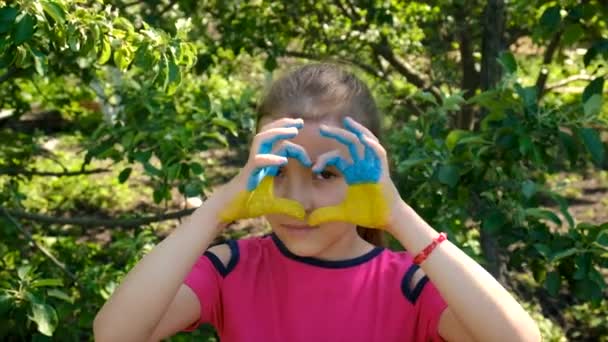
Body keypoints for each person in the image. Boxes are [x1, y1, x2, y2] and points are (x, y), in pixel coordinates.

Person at [94, 63, 541, 342]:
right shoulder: (232, 269)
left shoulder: (409, 285)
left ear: (374, 175)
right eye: (278, 171)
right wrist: (215, 210)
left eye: (326, 174)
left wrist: (399, 216)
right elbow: (115, 334)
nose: (297, 199)